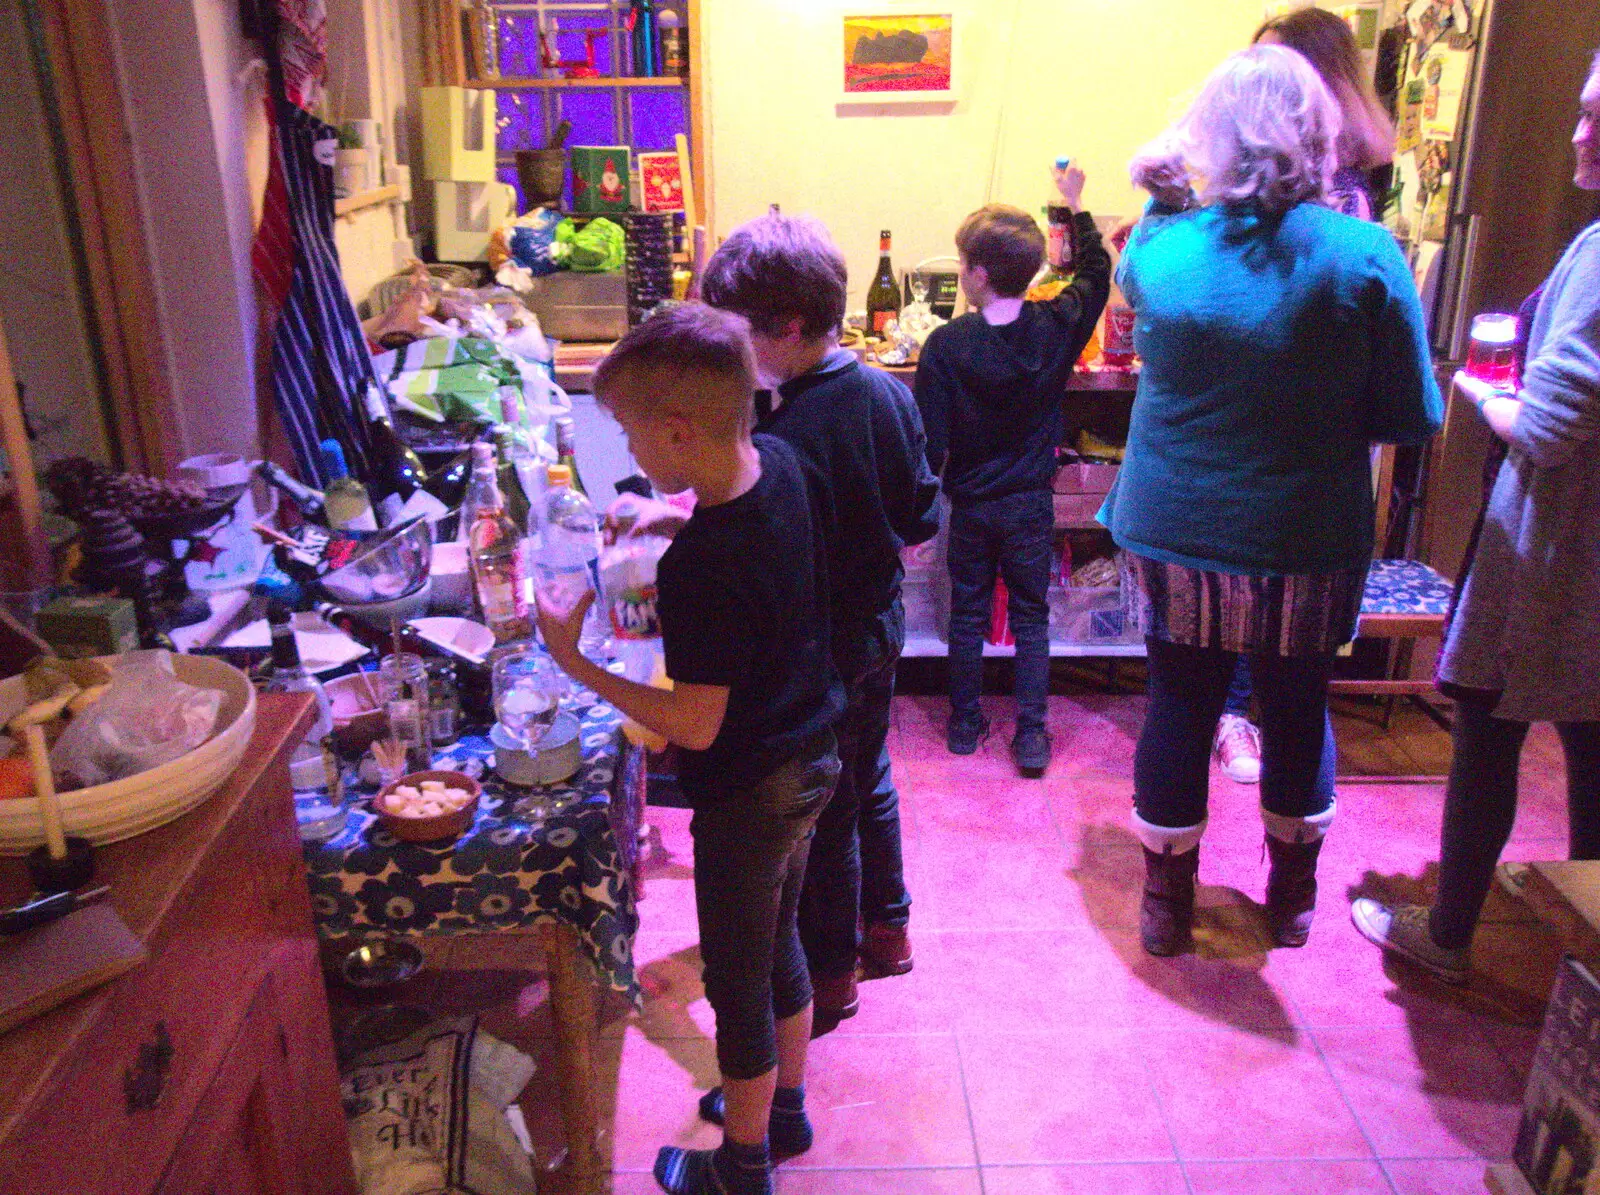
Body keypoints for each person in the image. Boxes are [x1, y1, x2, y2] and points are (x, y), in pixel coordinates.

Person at [1104, 45, 1442, 957]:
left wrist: (1165, 190)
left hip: (1174, 523)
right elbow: (1413, 415)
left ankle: (1166, 904)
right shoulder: (1366, 254)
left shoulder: (1160, 248)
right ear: (1321, 132)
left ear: (1213, 135)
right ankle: (1291, 897)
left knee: (1180, 700)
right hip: (1307, 532)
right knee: (1296, 704)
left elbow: (1134, 294)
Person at [536, 303, 844, 1195]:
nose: (630, 452)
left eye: (631, 432)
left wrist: (575, 660)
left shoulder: (702, 566)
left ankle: (742, 1168)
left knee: (740, 982)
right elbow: (760, 569)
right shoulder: (781, 465)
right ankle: (783, 1109)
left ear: (675, 430)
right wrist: (674, 526)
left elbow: (695, 724)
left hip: (751, 786)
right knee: (778, 938)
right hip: (815, 753)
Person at [1352, 52, 1600, 984]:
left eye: (1594, 118)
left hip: (1558, 548)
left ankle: (1449, 932)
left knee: (1488, 725)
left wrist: (1479, 390)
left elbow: (1549, 424)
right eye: (1576, 112)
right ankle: (1586, 955)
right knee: (1592, 744)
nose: (1578, 133)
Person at [700, 214, 941, 1034]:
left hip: (822, 648)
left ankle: (832, 970)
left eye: (739, 334)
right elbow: (920, 514)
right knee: (869, 776)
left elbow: (775, 552)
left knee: (825, 810)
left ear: (791, 328)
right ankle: (891, 926)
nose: (733, 349)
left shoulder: (790, 429)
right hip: (880, 627)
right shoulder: (883, 390)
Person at [1207, 6, 1404, 786]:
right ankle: (1235, 721)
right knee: (1239, 588)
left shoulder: (1347, 200)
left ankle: (1242, 722)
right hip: (1256, 430)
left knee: (1277, 606)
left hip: (1309, 438)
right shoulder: (1248, 188)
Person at [916, 164, 1111, 776]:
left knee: (968, 615)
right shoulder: (1056, 326)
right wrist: (1075, 205)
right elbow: (1096, 275)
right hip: (1030, 504)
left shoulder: (947, 347)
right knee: (1032, 617)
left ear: (976, 274)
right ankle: (1031, 735)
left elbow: (931, 444)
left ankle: (966, 725)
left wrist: (914, 510)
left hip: (971, 507)